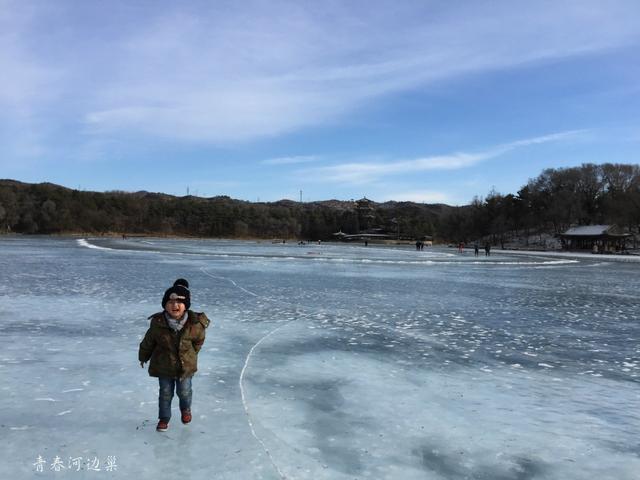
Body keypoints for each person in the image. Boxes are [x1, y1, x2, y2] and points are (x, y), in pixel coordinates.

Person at [139, 278, 210, 432]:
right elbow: (149, 341)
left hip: (186, 367)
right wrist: (143, 356)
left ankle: (186, 409)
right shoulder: (158, 323)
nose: (175, 305)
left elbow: (199, 341)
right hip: (164, 365)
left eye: (179, 302)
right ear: (165, 304)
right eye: (170, 302)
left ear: (186, 306)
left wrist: (191, 355)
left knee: (184, 392)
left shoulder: (195, 324)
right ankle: (164, 418)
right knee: (165, 393)